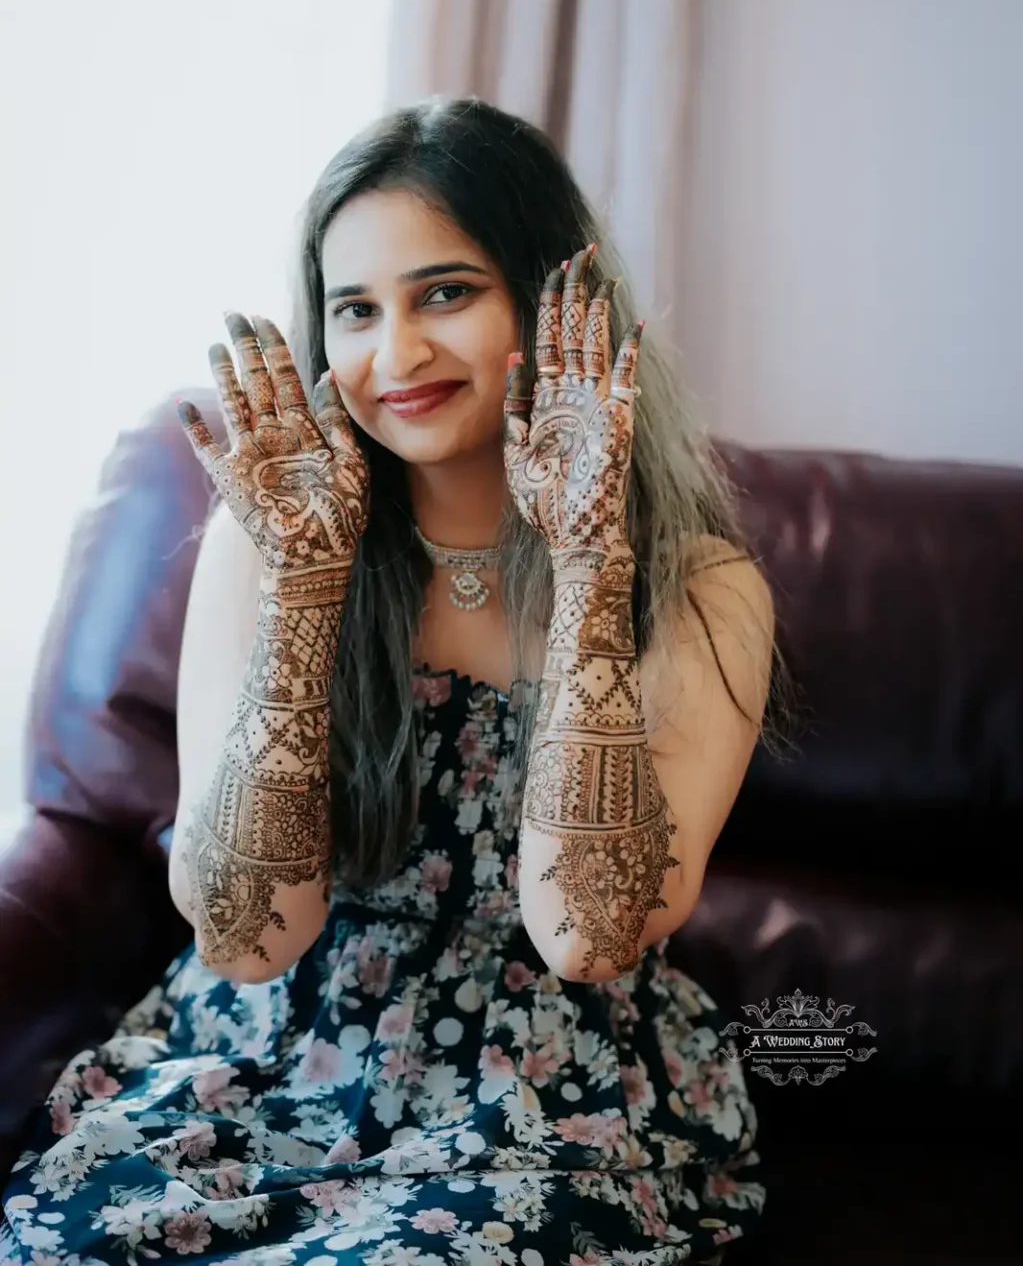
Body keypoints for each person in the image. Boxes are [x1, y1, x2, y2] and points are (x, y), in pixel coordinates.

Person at [0, 97, 785, 1265]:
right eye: (355, 310)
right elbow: (245, 938)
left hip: (542, 1086)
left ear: (556, 300)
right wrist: (307, 595)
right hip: (266, 1056)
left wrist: (583, 565)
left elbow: (591, 934)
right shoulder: (263, 539)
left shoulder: (703, 589)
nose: (395, 356)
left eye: (447, 294)